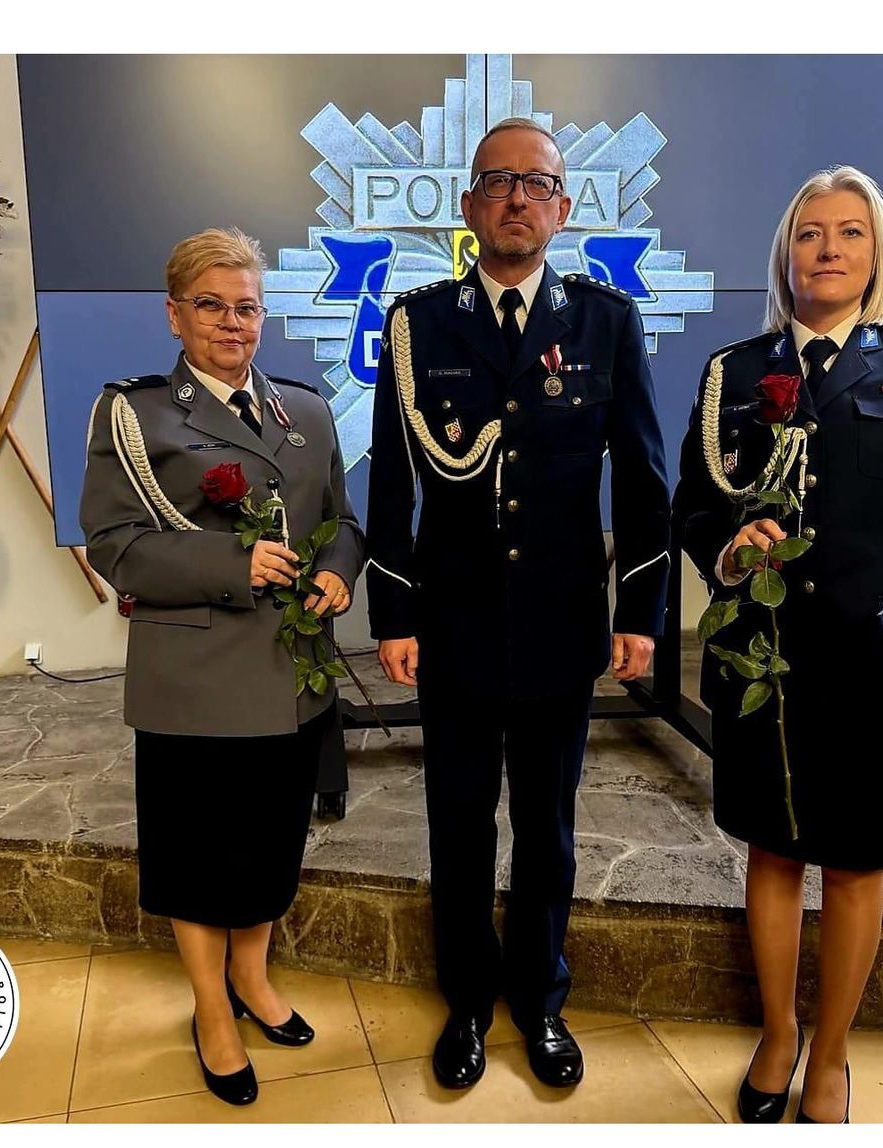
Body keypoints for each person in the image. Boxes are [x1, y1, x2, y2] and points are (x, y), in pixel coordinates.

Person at [671, 166, 883, 1123]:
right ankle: (778, 1036)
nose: (828, 249)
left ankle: (833, 1057)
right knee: (772, 853)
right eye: (810, 233)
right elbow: (694, 504)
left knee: (856, 864)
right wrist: (728, 551)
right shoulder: (733, 373)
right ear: (786, 254)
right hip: (763, 659)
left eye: (850, 232)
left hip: (877, 663)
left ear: (877, 251)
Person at [366, 117, 671, 1090]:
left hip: (559, 621)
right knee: (459, 822)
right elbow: (392, 483)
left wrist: (641, 613)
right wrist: (393, 614)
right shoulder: (418, 324)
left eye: (536, 183)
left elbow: (646, 480)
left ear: (563, 208)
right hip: (452, 623)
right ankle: (465, 1000)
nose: (516, 199)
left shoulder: (605, 323)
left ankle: (540, 998)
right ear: (468, 205)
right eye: (497, 182)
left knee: (546, 826)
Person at [79, 227, 364, 1106]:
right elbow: (114, 544)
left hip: (288, 674)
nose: (232, 323)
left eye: (247, 307)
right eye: (211, 306)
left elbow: (344, 522)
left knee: (272, 845)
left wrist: (338, 572)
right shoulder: (136, 416)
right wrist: (230, 564)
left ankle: (252, 976)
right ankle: (211, 1008)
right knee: (199, 857)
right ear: (175, 315)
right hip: (193, 680)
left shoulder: (305, 411)